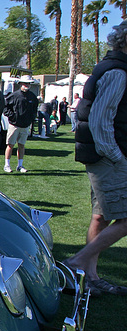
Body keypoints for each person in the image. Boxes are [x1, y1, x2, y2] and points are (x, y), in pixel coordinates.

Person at [67, 20, 127, 296]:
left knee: (100, 216)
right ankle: (77, 262)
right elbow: (101, 121)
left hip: (101, 155)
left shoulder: (110, 68)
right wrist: (117, 157)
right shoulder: (117, 72)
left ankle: (88, 276)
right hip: (109, 156)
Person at [2, 75, 38, 173]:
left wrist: (31, 119)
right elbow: (5, 107)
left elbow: (34, 110)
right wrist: (12, 116)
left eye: (29, 83)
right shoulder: (14, 95)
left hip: (25, 125)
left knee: (21, 145)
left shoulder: (32, 97)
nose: (27, 85)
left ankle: (20, 165)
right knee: (10, 145)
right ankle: (7, 165)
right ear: (21, 84)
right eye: (25, 83)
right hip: (14, 125)